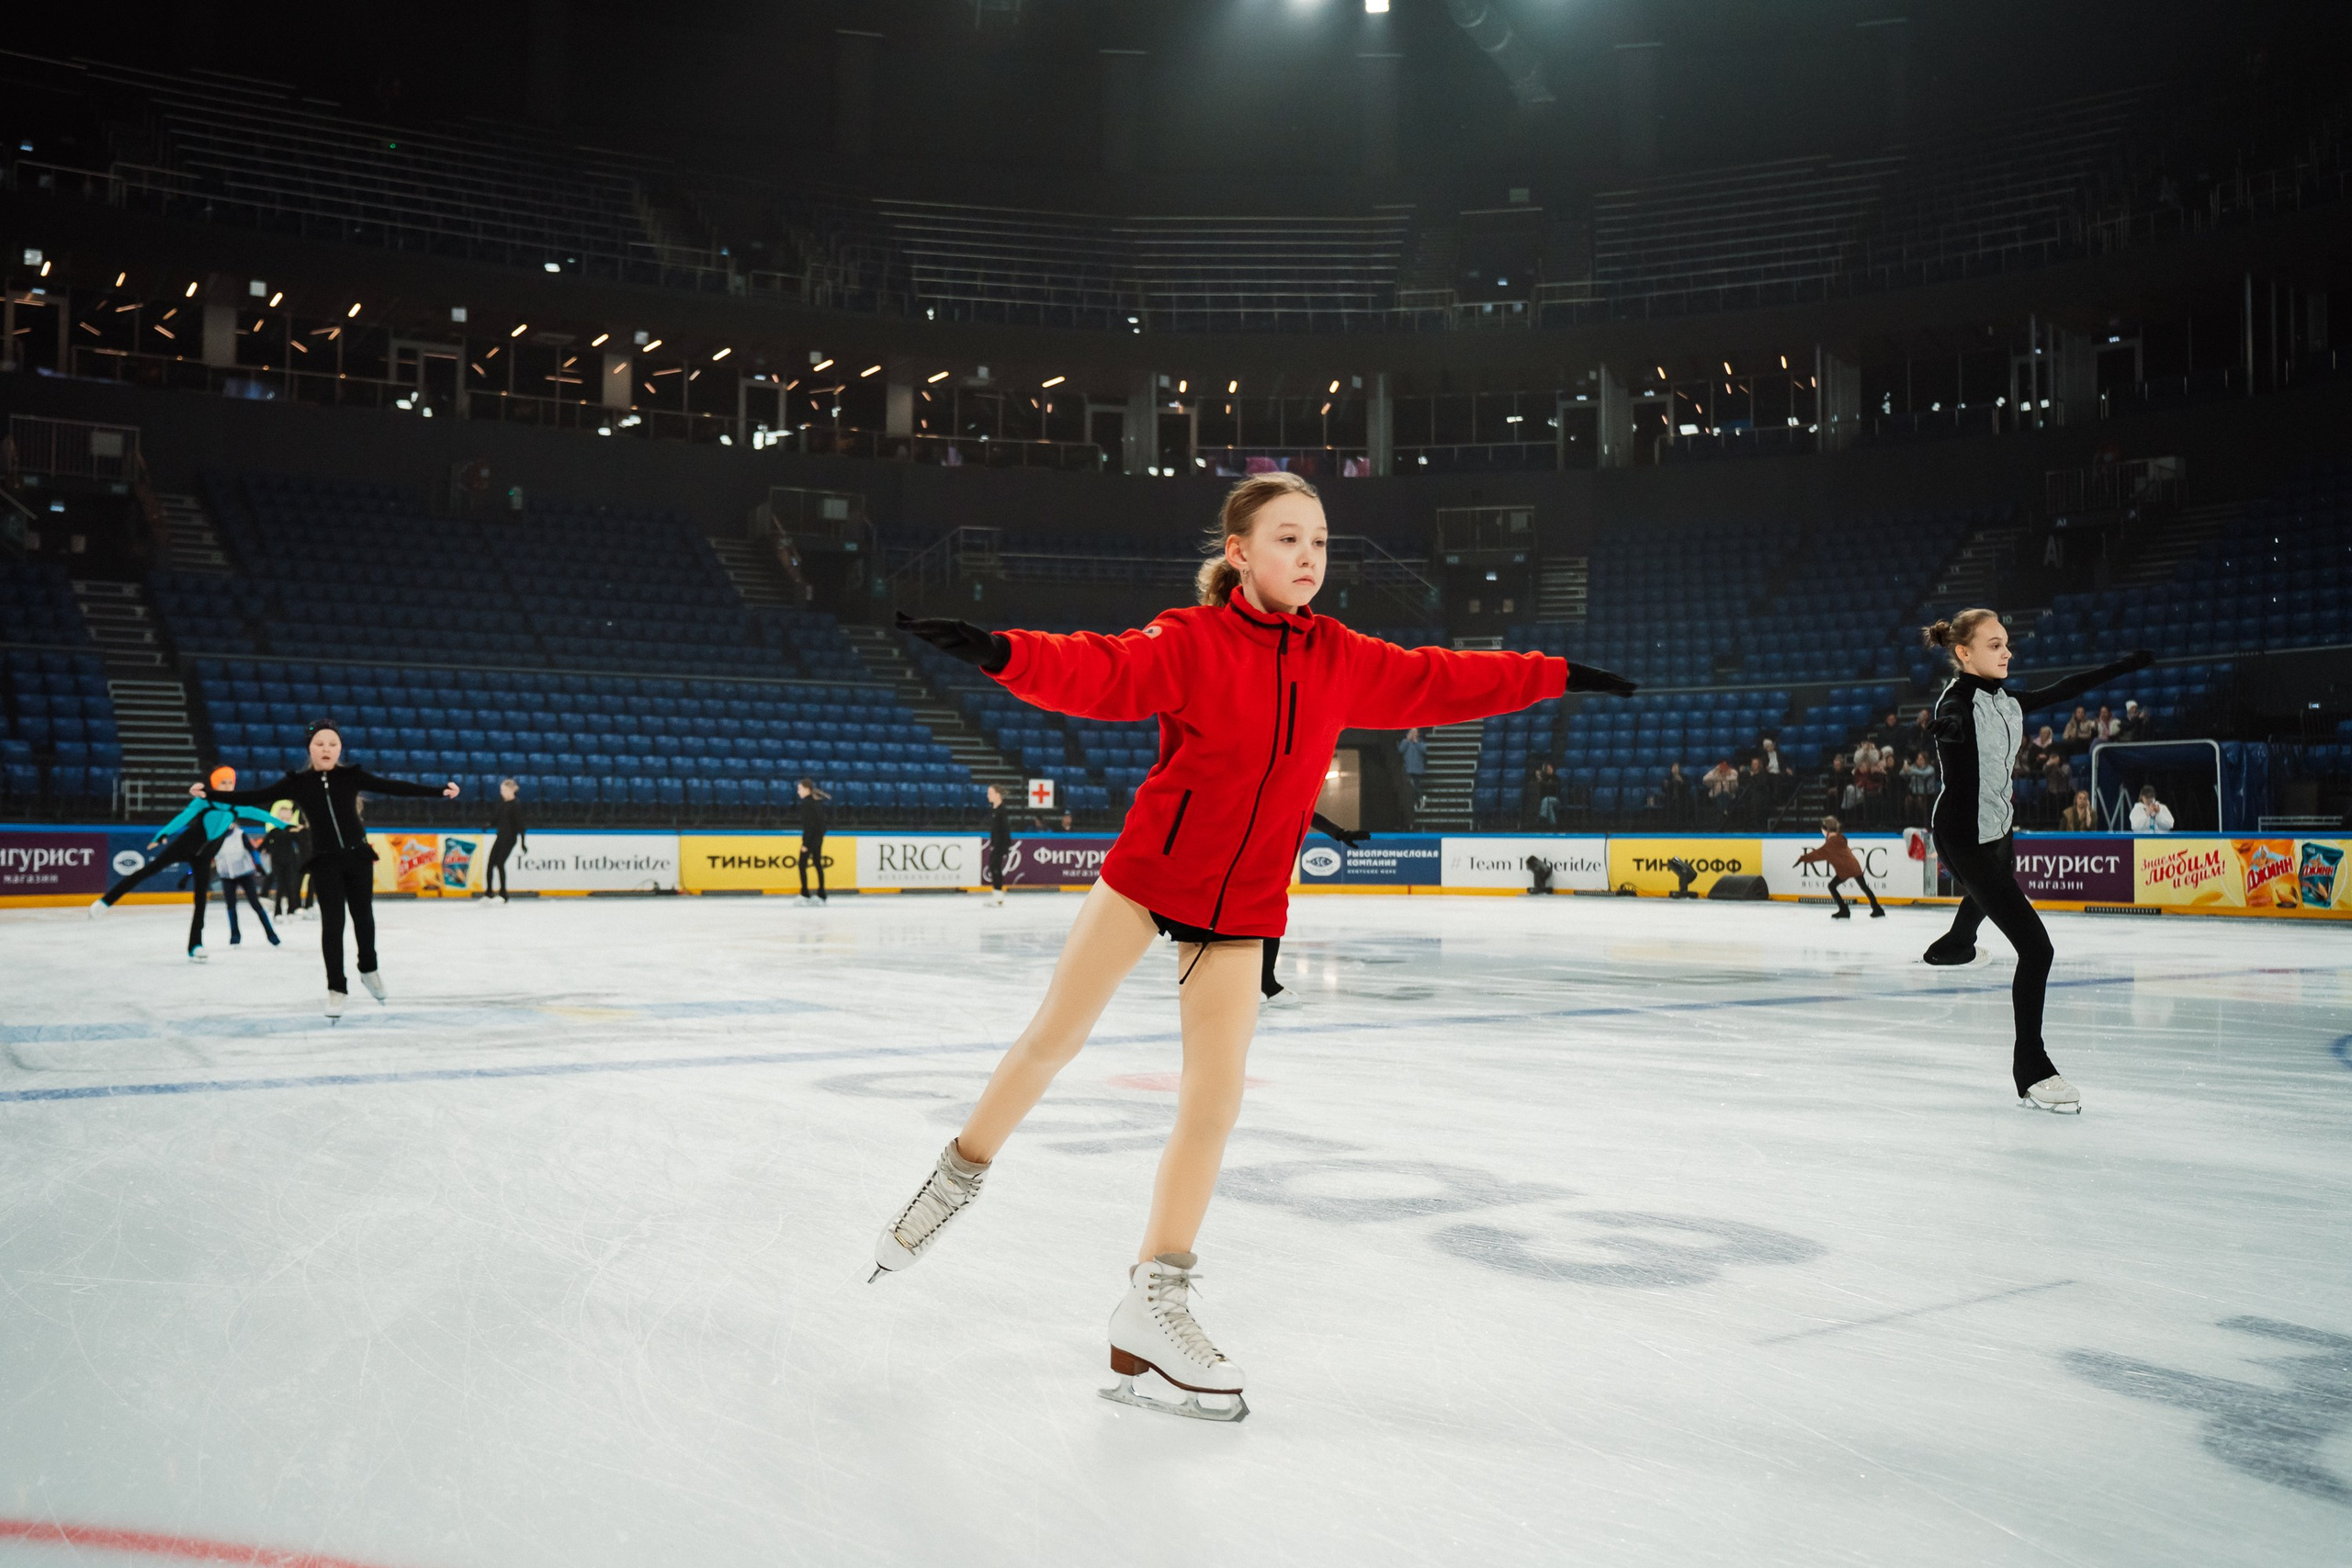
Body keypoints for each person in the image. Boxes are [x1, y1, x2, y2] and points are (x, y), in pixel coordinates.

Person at [876, 470, 1635, 1421]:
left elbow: (1442, 679)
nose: (1307, 556)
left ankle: (1154, 1295)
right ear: (1238, 553)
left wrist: (1553, 673)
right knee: (1052, 1042)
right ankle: (956, 1177)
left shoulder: (1342, 656)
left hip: (1242, 909)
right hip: (1148, 879)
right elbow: (1100, 670)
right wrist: (1002, 652)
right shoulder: (1189, 642)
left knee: (1214, 1103)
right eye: (1286, 539)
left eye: (1318, 541)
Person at [1918, 610, 2151, 1113]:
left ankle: (1954, 945)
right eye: (1995, 645)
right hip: (1962, 834)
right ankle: (2032, 1071)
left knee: (1985, 895)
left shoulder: (2009, 702)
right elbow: (1950, 724)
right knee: (2037, 949)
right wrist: (1944, 728)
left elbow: (2068, 686)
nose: (2007, 652)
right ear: (1964, 653)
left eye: (2007, 644)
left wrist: (2124, 667)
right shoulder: (1956, 702)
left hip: (1999, 828)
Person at [195, 722, 458, 1017]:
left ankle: (369, 969)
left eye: (332, 744)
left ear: (340, 748)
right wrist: (210, 794)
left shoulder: (351, 776)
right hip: (325, 861)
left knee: (363, 918)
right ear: (310, 747)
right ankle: (337, 988)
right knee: (333, 925)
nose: (326, 749)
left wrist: (439, 791)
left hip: (358, 857)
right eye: (320, 744)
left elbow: (394, 787)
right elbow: (253, 796)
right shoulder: (297, 782)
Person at [88, 766, 281, 962]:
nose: (228, 786)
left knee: (200, 901)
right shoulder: (203, 802)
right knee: (148, 871)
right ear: (215, 784)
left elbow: (262, 815)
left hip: (204, 857)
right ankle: (107, 901)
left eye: (230, 782)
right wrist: (162, 834)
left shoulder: (236, 806)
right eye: (223, 782)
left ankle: (195, 945)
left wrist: (285, 825)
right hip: (185, 846)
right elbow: (182, 818)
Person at [1796, 814, 1883, 919]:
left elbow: (1818, 854)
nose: (1822, 832)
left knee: (1831, 886)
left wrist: (1802, 858)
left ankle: (1844, 910)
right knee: (1864, 887)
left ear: (1826, 829)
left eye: (1822, 830)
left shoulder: (1831, 843)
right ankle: (1877, 908)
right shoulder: (1840, 837)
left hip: (1846, 869)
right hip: (1854, 865)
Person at [209, 819, 280, 948]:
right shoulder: (214, 838)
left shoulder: (240, 834)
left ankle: (271, 935)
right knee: (231, 907)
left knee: (256, 905)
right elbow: (208, 857)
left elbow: (252, 851)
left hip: (244, 874)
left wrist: (258, 865)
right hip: (226, 876)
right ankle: (235, 936)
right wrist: (189, 874)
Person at [264, 801, 312, 919]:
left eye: (287, 817)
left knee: (292, 885)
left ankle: (292, 910)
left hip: (290, 861)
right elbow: (266, 845)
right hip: (277, 862)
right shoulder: (275, 831)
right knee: (280, 887)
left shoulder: (294, 830)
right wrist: (272, 849)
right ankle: (278, 912)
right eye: (283, 817)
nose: (285, 819)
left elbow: (303, 839)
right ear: (278, 817)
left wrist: (301, 830)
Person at [482, 777, 527, 902]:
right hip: (500, 836)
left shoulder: (516, 805)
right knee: (490, 864)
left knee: (500, 863)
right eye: (501, 790)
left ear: (511, 790)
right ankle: (489, 893)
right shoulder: (502, 803)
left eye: (504, 790)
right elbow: (497, 818)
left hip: (510, 839)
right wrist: (489, 824)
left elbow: (521, 825)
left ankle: (503, 894)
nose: (502, 792)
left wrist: (523, 842)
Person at [795, 777, 830, 904]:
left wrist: (805, 844)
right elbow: (822, 825)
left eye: (800, 789)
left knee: (802, 865)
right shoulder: (816, 802)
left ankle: (805, 893)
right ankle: (821, 894)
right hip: (818, 839)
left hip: (811, 840)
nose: (798, 792)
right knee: (817, 864)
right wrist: (819, 838)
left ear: (807, 789)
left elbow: (809, 826)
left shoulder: (807, 804)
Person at [983, 783, 1013, 906]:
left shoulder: (1002, 810)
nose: (987, 795)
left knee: (995, 868)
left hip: (1000, 845)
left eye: (990, 793)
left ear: (997, 795)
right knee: (993, 868)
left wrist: (1005, 847)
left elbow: (1005, 829)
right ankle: (997, 894)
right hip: (996, 845)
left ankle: (998, 895)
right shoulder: (995, 810)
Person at [1902, 750, 1939, 826]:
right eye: (1918, 759)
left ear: (1925, 760)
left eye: (1921, 759)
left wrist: (1910, 770)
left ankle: (1924, 821)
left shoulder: (1930, 768)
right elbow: (1902, 773)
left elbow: (1924, 774)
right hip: (1914, 792)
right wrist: (1905, 766)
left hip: (1927, 793)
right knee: (1908, 799)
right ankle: (1909, 821)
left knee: (1919, 800)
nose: (1919, 761)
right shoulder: (1913, 767)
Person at [1398, 728, 1428, 809]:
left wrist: (1416, 742)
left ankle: (1419, 799)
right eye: (1412, 732)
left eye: (1415, 732)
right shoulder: (1406, 742)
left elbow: (1424, 750)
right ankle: (1417, 800)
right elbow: (1401, 750)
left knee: (1416, 786)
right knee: (1411, 787)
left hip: (1417, 769)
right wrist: (1407, 740)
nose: (1413, 733)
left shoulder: (1421, 742)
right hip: (1408, 768)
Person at [1660, 761, 1692, 825]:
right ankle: (1670, 823)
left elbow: (1688, 787)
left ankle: (1683, 823)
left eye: (1676, 767)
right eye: (1673, 767)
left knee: (1685, 802)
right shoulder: (1668, 778)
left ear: (1679, 769)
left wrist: (1681, 781)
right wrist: (1666, 785)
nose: (1675, 769)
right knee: (1668, 802)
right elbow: (1663, 789)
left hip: (1682, 796)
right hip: (1670, 797)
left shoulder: (1685, 777)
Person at [1532, 760, 1562, 825]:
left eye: (1551, 768)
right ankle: (1553, 823)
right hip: (1547, 800)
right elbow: (1543, 791)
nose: (1549, 770)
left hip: (1556, 799)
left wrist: (1544, 783)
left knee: (1546, 800)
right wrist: (1540, 779)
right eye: (1548, 769)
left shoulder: (1556, 778)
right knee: (1549, 805)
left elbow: (1556, 788)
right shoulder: (1544, 779)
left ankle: (1542, 816)